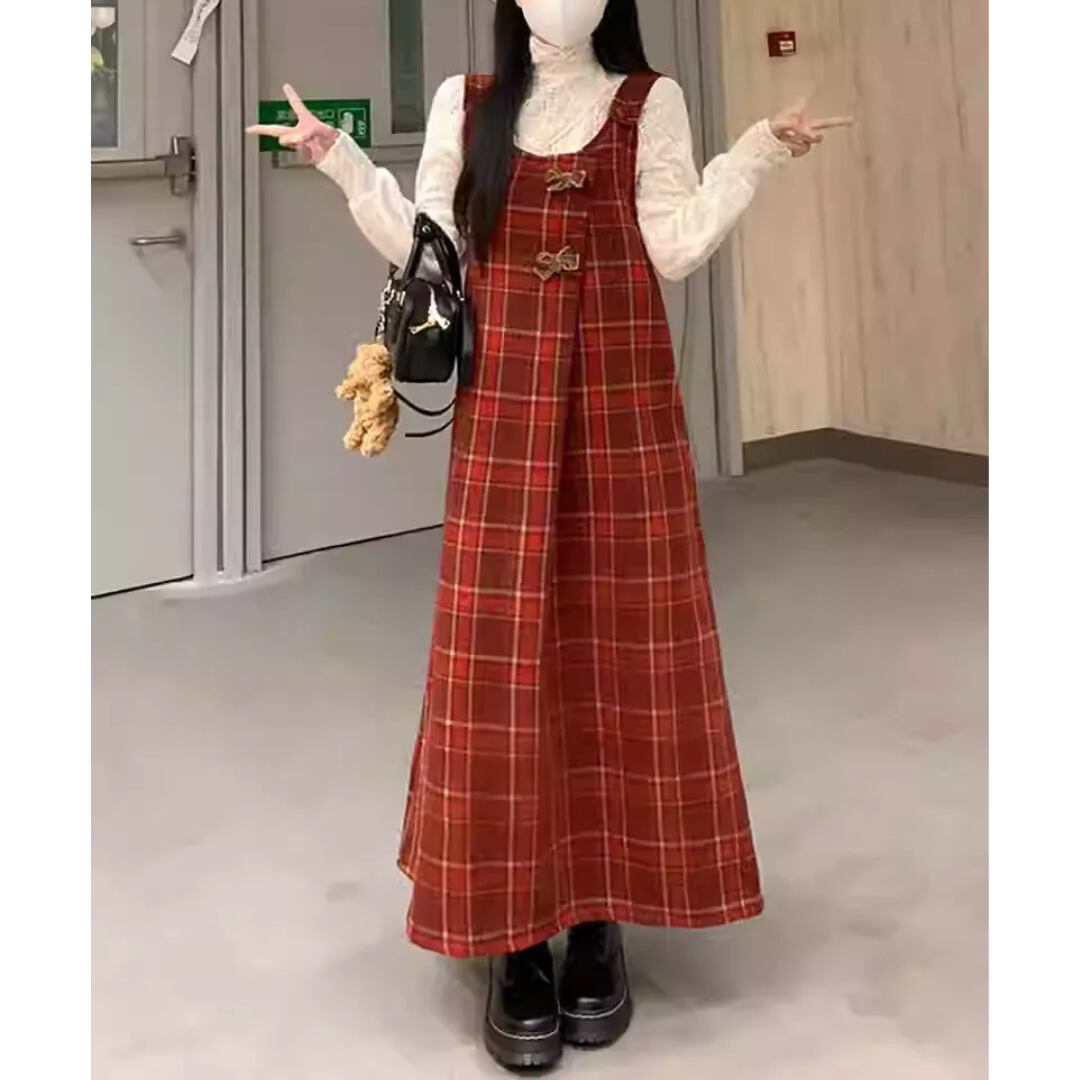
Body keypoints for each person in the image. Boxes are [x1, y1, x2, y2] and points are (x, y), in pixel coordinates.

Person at [250, 0, 851, 1070]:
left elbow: (674, 246)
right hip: (504, 423)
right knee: (501, 670)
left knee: (622, 660)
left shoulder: (650, 102)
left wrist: (758, 149)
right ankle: (515, 934)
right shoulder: (467, 103)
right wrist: (342, 161)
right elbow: (430, 248)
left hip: (625, 419)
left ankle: (599, 921)